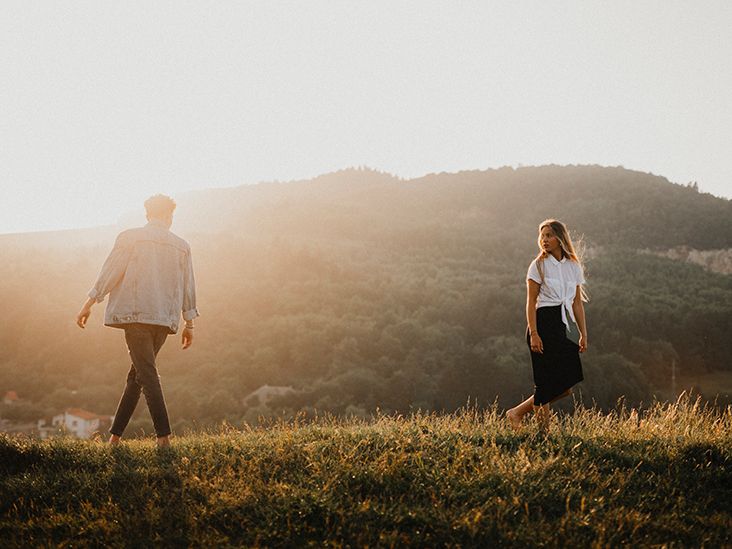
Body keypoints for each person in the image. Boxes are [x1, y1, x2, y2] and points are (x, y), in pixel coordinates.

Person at [75, 195, 199, 447]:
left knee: (147, 374)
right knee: (138, 376)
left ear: (147, 214)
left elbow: (110, 272)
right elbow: (188, 286)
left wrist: (89, 303)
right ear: (169, 215)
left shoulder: (129, 237)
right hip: (164, 320)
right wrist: (190, 323)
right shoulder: (182, 245)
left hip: (136, 316)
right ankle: (114, 438)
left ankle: (163, 438)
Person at [506, 219, 587, 431]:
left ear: (560, 238)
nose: (545, 240)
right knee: (544, 383)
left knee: (565, 384)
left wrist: (583, 333)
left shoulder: (573, 266)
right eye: (542, 236)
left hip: (559, 326)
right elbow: (530, 303)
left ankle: (516, 412)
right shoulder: (538, 266)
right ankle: (544, 435)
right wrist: (534, 333)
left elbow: (577, 303)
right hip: (541, 324)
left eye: (549, 235)